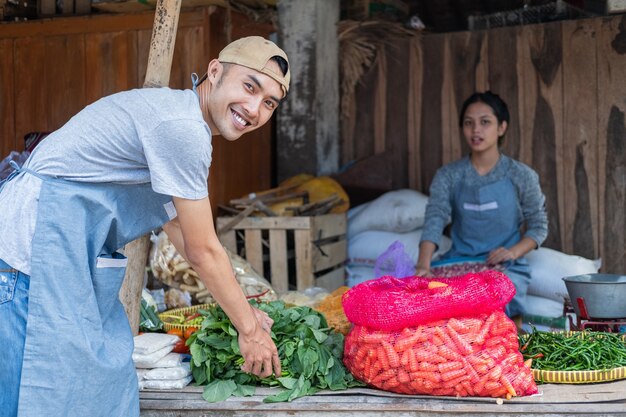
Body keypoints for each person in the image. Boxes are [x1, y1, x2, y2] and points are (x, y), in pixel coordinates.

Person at [0, 36, 289, 417]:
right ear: (215, 72)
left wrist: (244, 313)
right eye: (249, 87)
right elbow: (202, 250)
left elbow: (180, 231)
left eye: (269, 102)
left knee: (95, 385)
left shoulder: (184, 119)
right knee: (39, 393)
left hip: (59, 250)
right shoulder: (183, 128)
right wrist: (249, 333)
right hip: (32, 253)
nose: (254, 109)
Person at [415, 91, 548, 325]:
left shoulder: (521, 175)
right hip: (457, 263)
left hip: (506, 267)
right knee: (428, 305)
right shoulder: (449, 175)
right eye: (469, 123)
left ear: (502, 127)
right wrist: (423, 266)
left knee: (485, 308)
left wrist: (512, 252)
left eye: (485, 122)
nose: (476, 130)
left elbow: (538, 226)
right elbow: (434, 220)